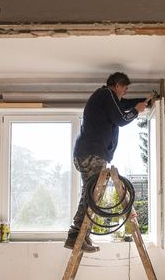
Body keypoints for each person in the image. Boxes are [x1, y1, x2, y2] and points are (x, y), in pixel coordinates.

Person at [64, 72, 153, 252]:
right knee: (92, 196)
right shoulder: (106, 94)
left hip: (91, 153)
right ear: (118, 85)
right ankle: (75, 236)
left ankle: (81, 236)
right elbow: (121, 119)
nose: (124, 94)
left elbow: (125, 104)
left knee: (92, 196)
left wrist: (149, 101)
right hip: (91, 154)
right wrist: (137, 111)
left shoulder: (107, 98)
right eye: (124, 89)